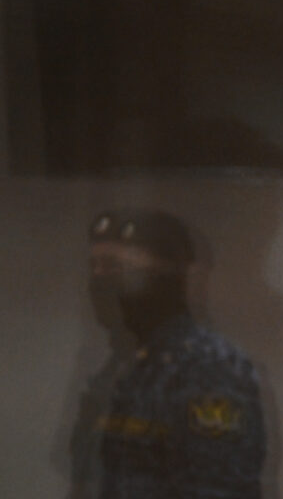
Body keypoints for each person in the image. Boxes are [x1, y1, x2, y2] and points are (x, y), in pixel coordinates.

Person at [69, 208, 266, 499]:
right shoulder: (120, 367)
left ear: (166, 274)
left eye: (114, 267)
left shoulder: (208, 367)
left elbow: (214, 489)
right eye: (95, 266)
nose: (100, 280)